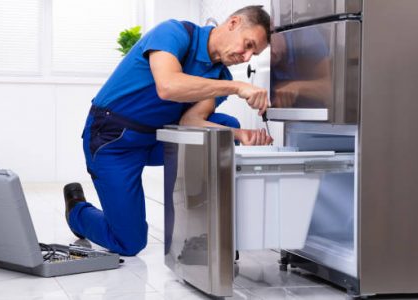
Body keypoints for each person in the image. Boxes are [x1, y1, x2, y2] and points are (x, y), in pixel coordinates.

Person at [64, 5, 273, 256]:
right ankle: (77, 211)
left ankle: (207, 231)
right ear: (233, 23)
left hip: (156, 138)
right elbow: (168, 86)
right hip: (113, 140)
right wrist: (237, 87)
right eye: (248, 44)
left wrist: (241, 136)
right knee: (129, 242)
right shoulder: (175, 33)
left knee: (226, 128)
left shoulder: (220, 75)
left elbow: (191, 121)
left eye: (254, 53)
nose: (247, 57)